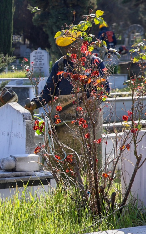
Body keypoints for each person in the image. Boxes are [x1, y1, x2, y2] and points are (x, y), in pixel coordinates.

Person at [24, 30, 108, 161]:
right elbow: (48, 92)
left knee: (87, 160)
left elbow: (104, 90)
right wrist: (35, 104)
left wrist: (93, 99)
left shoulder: (95, 63)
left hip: (87, 122)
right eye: (65, 48)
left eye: (70, 47)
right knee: (63, 160)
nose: (68, 51)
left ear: (80, 44)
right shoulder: (60, 65)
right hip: (62, 123)